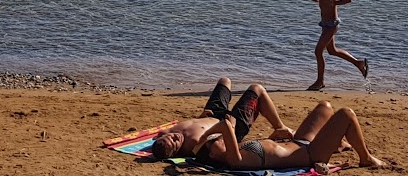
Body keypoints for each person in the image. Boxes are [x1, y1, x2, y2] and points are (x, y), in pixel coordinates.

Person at [152, 81, 386, 171]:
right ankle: (365, 157)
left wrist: (212, 135)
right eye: (215, 146)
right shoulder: (229, 157)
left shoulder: (218, 150)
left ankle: (339, 142)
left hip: (297, 142)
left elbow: (221, 132)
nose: (218, 145)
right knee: (346, 114)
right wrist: (217, 132)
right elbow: (229, 142)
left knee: (325, 105)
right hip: (308, 153)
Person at [148, 77, 298, 160]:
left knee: (224, 81)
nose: (174, 137)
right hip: (230, 123)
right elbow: (220, 143)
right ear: (177, 152)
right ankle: (279, 128)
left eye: (169, 136)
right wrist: (231, 126)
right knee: (256, 89)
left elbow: (156, 138)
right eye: (175, 142)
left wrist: (201, 118)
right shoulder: (194, 146)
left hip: (212, 114)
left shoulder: (163, 135)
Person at [308, 0, 368, 91]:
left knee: (318, 51)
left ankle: (320, 81)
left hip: (332, 24)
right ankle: (358, 63)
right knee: (332, 51)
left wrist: (335, 3)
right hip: (324, 23)